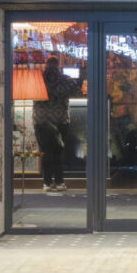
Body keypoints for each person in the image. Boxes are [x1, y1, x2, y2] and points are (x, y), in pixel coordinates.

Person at [34, 56, 80, 193]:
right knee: (59, 152)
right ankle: (59, 182)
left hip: (42, 120)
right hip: (60, 120)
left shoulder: (38, 79)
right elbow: (75, 89)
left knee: (45, 152)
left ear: (46, 64)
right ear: (58, 65)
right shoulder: (65, 79)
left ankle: (47, 183)